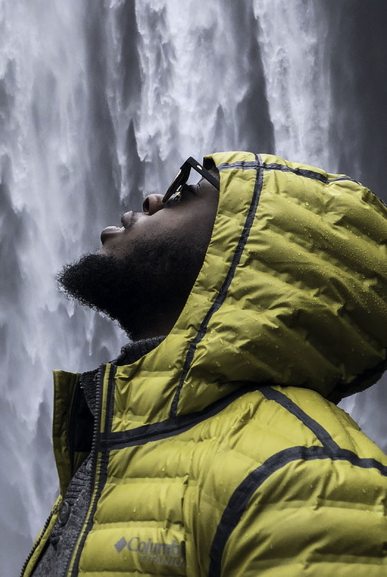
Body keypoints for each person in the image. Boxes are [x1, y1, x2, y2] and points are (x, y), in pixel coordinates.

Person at [21, 151, 387, 576]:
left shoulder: (306, 477)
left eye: (182, 192)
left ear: (247, 245)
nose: (153, 199)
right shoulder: (119, 447)